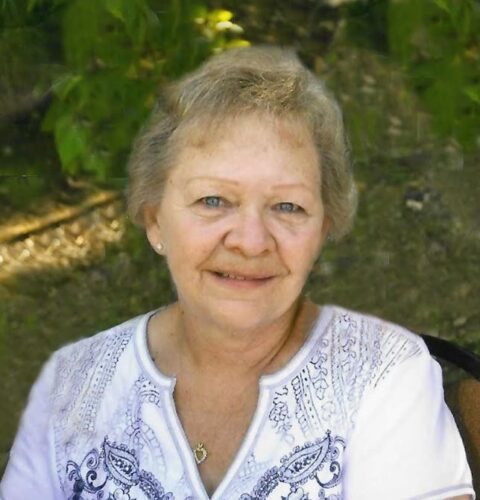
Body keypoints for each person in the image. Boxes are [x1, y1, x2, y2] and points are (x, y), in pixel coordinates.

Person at [0, 46, 475, 500]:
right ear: (155, 220)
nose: (250, 241)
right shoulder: (72, 383)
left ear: (322, 230)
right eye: (213, 200)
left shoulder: (385, 375)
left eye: (287, 206)